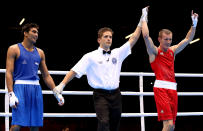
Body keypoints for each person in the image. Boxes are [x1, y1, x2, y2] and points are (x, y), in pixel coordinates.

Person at [52, 8, 148, 131]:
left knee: (115, 124)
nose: (109, 39)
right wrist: (61, 85)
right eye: (106, 36)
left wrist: (142, 19)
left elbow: (133, 38)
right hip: (100, 95)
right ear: (99, 40)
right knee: (104, 122)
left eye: (110, 37)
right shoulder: (90, 56)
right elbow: (74, 70)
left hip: (116, 94)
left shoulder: (117, 53)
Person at [141, 7, 198, 131]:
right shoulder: (154, 52)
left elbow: (188, 39)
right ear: (159, 39)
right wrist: (144, 17)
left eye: (170, 39)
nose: (168, 42)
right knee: (169, 125)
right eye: (165, 39)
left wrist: (194, 24)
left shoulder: (173, 51)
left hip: (173, 89)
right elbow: (146, 36)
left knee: (171, 126)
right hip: (161, 89)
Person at [6, 23, 64, 131]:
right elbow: (9, 73)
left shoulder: (40, 53)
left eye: (37, 32)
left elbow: (46, 75)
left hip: (36, 89)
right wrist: (11, 94)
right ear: (25, 33)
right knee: (16, 125)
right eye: (33, 31)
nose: (36, 34)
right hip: (20, 88)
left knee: (35, 125)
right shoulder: (14, 49)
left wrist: (56, 92)